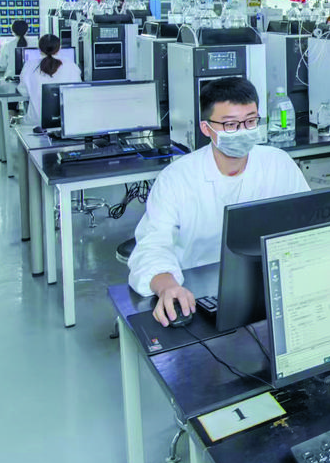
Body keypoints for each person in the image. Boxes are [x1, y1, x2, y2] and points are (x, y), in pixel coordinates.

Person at [127, 77, 311, 326]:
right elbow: (152, 248)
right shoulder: (177, 178)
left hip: (271, 286)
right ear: (206, 128)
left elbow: (308, 223)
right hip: (195, 294)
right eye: (230, 124)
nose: (242, 131)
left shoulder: (278, 164)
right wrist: (168, 287)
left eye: (250, 121)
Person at [17, 34, 81, 127]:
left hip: (36, 123)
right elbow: (77, 91)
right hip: (66, 123)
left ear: (39, 49)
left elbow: (23, 92)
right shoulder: (71, 66)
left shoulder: (29, 65)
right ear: (59, 48)